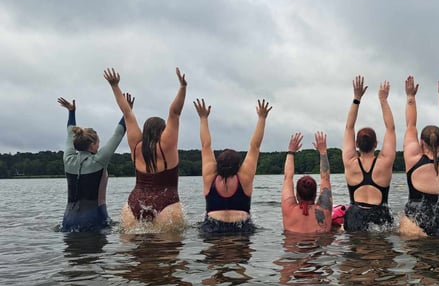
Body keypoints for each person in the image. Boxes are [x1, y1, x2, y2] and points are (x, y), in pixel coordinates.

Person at [104, 67, 187, 231]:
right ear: (163, 131)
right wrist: (183, 87)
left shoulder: (136, 147)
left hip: (134, 203)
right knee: (167, 256)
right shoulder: (166, 147)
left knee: (134, 255)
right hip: (166, 202)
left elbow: (126, 112)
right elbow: (175, 113)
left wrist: (115, 86)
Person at [194, 97, 272, 235]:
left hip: (212, 228)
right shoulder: (244, 178)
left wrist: (203, 118)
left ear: (218, 164)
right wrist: (262, 118)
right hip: (241, 227)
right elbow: (255, 146)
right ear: (238, 166)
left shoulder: (209, 177)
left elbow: (206, 145)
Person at [399, 74, 439, 237]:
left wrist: (410, 97)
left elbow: (410, 125)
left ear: (421, 143)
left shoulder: (413, 158)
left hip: (418, 224)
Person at [57, 94, 132, 232]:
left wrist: (71, 112)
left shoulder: (68, 159)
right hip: (95, 219)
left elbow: (69, 133)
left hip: (68, 221)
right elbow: (118, 134)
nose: (99, 145)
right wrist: (127, 111)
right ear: (92, 145)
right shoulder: (98, 160)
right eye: (98, 143)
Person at [342, 75, 396, 231]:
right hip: (380, 217)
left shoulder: (350, 162)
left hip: (354, 217)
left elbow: (348, 128)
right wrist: (383, 100)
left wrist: (356, 99)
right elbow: (390, 128)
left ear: (356, 144)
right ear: (376, 144)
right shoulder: (384, 163)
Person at [281, 132, 332, 233]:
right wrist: (323, 151)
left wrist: (291, 152)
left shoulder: (289, 209)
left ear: (297, 194)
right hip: (319, 246)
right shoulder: (324, 210)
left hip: (293, 246)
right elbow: (325, 179)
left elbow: (288, 177)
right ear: (315, 194)